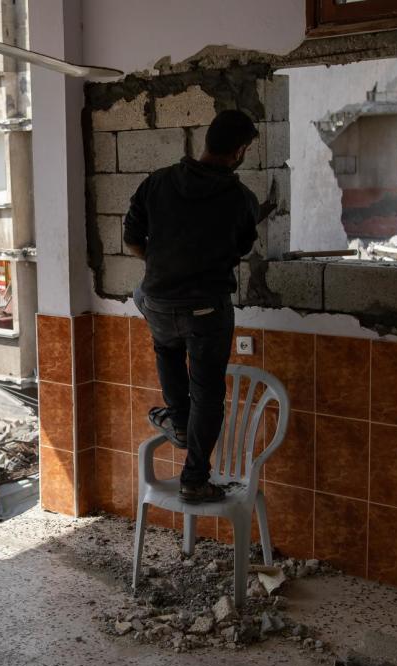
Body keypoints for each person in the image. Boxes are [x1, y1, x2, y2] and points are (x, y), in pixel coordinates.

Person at [123, 110, 270, 503]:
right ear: (239, 151)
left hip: (158, 300)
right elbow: (240, 248)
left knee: (165, 346)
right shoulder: (240, 198)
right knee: (207, 393)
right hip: (205, 310)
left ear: (206, 141)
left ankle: (182, 423)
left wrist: (163, 265)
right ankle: (194, 478)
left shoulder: (157, 182)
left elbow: (132, 239)